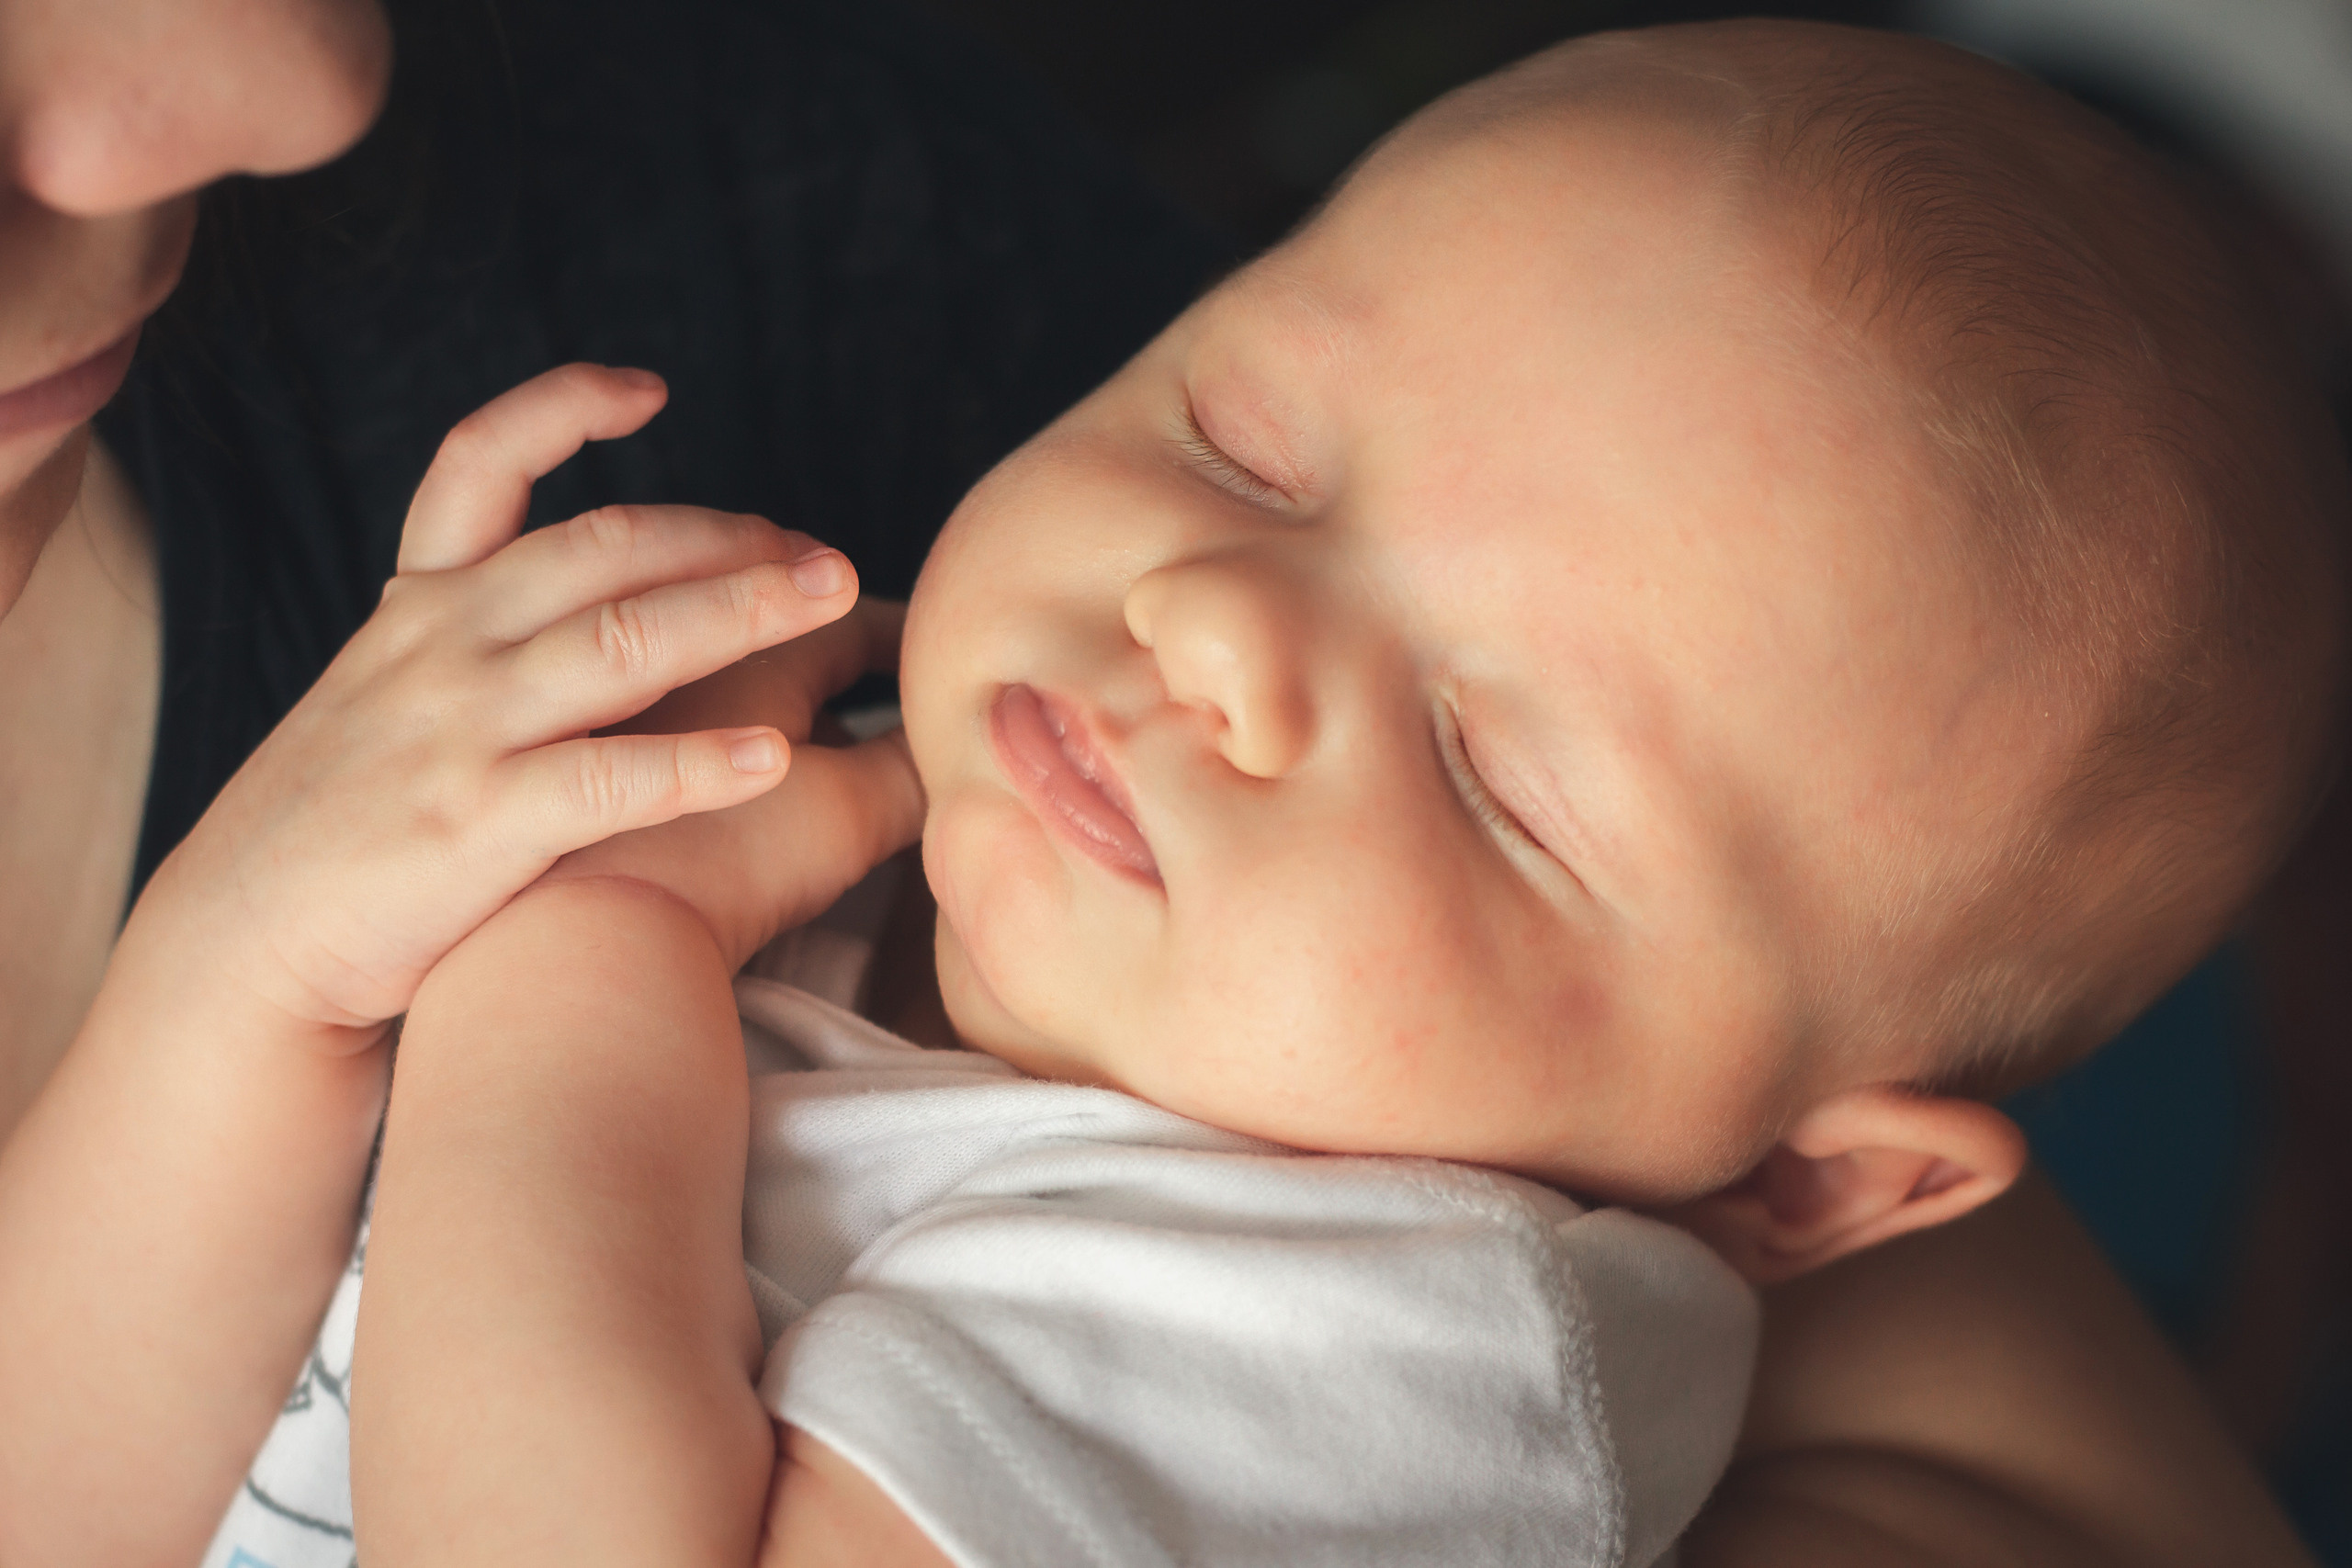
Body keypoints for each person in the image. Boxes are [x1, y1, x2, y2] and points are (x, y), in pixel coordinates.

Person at [0, 3, 2322, 1566]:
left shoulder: (1387, 1336)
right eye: (1237, 440)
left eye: (1491, 770)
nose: (1211, 614)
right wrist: (261, 953)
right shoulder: (881, 904)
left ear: (1803, 1177)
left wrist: (554, 946)